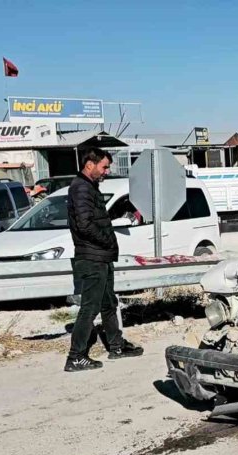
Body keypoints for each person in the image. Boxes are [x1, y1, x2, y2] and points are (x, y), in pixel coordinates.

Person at [65, 148, 142, 372]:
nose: (107, 171)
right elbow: (84, 225)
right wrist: (107, 240)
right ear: (90, 164)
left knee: (109, 304)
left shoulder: (89, 187)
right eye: (104, 167)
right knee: (90, 308)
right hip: (92, 257)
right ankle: (76, 356)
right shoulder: (81, 188)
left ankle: (116, 346)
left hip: (101, 256)